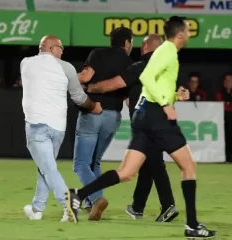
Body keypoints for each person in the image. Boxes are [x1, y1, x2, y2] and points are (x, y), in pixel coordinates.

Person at [65, 16, 216, 239]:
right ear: (181, 34)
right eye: (188, 31)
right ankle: (192, 226)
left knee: (126, 172)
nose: (190, 35)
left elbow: (151, 82)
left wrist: (174, 95)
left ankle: (78, 196)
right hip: (156, 116)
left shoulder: (162, 53)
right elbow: (146, 77)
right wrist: (166, 104)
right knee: (188, 167)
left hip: (142, 116)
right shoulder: (168, 51)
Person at [86, 34, 188, 222]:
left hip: (146, 121)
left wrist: (91, 88)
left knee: (153, 164)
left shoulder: (142, 65)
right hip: (161, 119)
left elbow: (114, 84)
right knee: (148, 163)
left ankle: (168, 205)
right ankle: (138, 206)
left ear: (145, 48)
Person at [21, 35, 102, 222]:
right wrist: (94, 106)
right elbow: (79, 98)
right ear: (50, 48)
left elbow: (41, 79)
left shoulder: (25, 63)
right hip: (58, 128)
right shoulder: (66, 68)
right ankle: (36, 209)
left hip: (36, 126)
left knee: (47, 167)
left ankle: (69, 205)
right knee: (46, 167)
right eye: (60, 47)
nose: (62, 50)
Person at [73, 27, 136, 221]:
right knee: (94, 161)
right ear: (126, 43)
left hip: (93, 112)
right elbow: (129, 98)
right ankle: (92, 203)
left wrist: (68, 79)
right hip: (113, 117)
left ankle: (97, 198)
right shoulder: (130, 63)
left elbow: (84, 77)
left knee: (81, 164)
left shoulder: (97, 53)